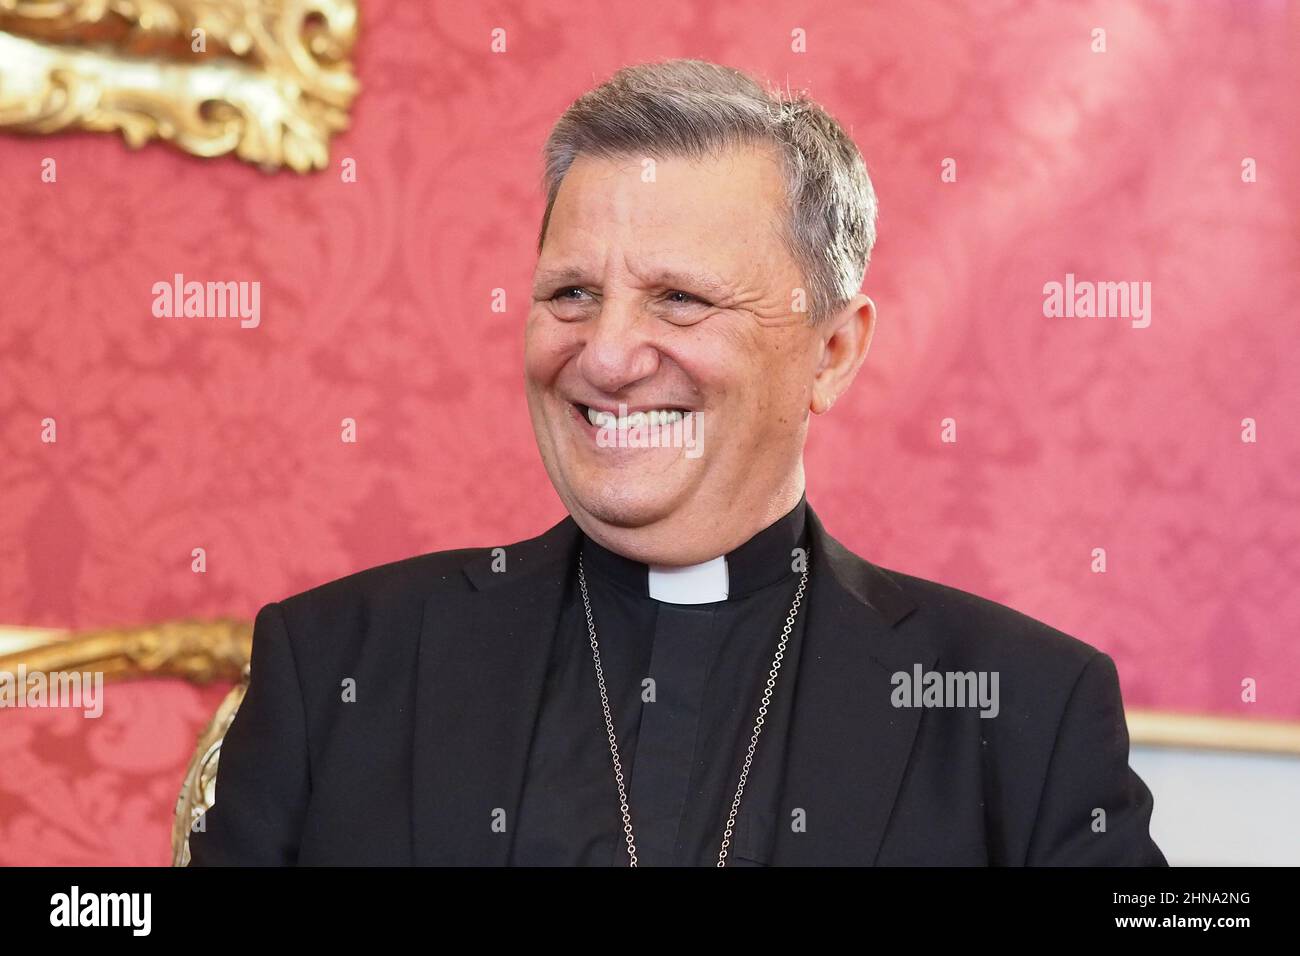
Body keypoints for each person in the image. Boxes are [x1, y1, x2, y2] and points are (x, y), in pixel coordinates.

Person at [189, 58, 1165, 866]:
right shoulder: (336, 664)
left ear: (831, 352)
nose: (607, 355)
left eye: (680, 300)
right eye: (570, 292)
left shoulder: (1024, 707)